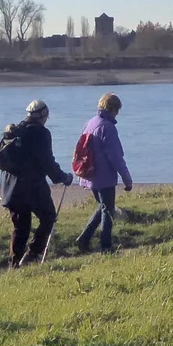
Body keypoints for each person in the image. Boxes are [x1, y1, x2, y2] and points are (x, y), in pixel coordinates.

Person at [0, 100, 74, 264]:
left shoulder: (15, 131)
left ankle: (15, 264)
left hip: (11, 188)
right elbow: (47, 162)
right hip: (32, 187)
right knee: (48, 217)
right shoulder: (41, 133)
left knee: (21, 227)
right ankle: (32, 254)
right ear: (44, 116)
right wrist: (63, 177)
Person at [73, 93, 134, 253]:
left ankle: (84, 238)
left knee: (103, 206)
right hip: (104, 176)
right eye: (117, 110)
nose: (117, 114)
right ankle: (106, 246)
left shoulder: (91, 123)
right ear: (113, 109)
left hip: (90, 174)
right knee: (108, 210)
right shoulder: (108, 127)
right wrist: (127, 178)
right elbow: (115, 156)